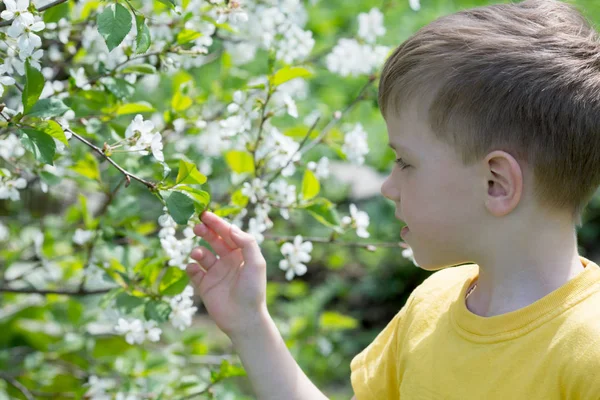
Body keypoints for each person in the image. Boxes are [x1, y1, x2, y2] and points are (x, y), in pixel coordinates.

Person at [185, 0, 600, 398]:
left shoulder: (589, 351)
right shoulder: (430, 306)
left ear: (496, 183)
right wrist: (249, 325)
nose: (388, 187)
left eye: (405, 162)